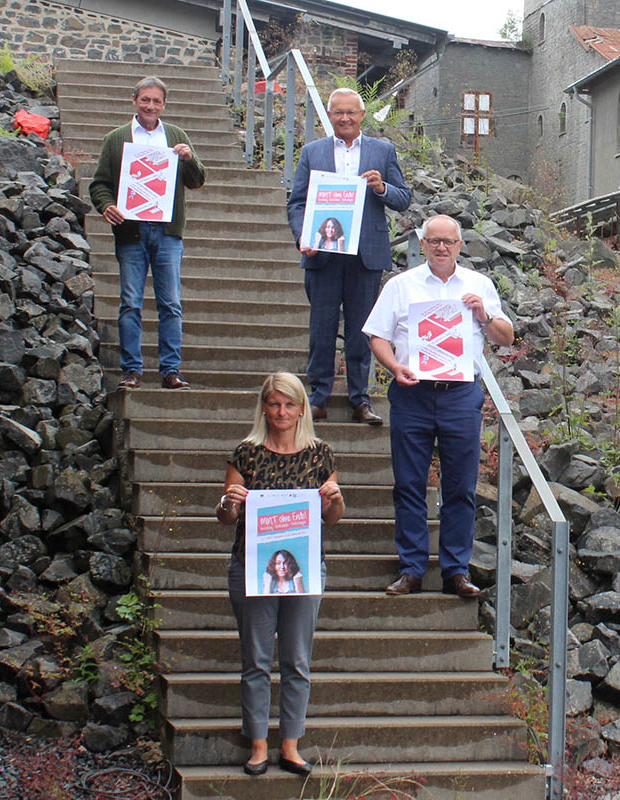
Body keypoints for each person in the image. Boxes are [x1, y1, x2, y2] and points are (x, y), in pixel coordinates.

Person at [362, 215, 514, 598]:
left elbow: (506, 338)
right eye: (434, 241)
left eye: (449, 241)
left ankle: (455, 571)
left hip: (460, 394)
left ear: (460, 245)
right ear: (423, 244)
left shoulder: (479, 285)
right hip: (412, 393)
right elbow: (377, 336)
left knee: (460, 487)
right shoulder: (400, 285)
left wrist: (483, 314)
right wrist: (394, 365)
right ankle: (412, 568)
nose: (442, 247)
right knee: (409, 484)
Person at [215, 372, 344, 776]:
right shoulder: (246, 453)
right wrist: (228, 502)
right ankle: (257, 745)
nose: (281, 412)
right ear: (264, 407)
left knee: (297, 659)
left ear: (302, 407)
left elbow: (332, 519)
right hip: (253, 568)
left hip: (304, 569)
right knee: (255, 658)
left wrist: (336, 500)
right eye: (274, 404)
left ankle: (290, 745)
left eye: (289, 404)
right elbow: (225, 518)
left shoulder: (321, 453)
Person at [287, 87, 411, 426]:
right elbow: (297, 202)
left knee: (361, 331)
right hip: (323, 253)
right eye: (338, 112)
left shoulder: (382, 151)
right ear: (330, 116)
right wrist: (303, 236)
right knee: (321, 329)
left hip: (364, 255)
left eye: (351, 112)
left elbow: (404, 199)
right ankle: (318, 397)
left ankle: (360, 399)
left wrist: (382, 187)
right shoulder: (312, 152)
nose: (345, 118)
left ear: (361, 115)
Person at [89, 75, 206, 391]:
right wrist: (106, 206)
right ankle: (131, 370)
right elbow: (98, 184)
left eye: (156, 101)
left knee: (170, 303)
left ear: (164, 104)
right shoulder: (117, 139)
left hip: (167, 233)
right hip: (131, 232)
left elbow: (197, 180)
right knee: (130, 302)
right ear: (134, 100)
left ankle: (170, 369)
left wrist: (189, 158)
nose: (150, 106)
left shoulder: (176, 136)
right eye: (145, 99)